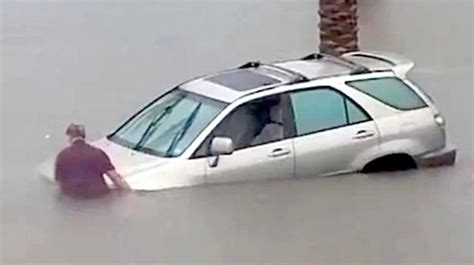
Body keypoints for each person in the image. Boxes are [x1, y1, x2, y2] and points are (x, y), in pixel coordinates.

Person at [55, 123, 130, 198]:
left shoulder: (62, 155)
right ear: (84, 136)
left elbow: (58, 181)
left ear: (69, 137)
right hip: (97, 195)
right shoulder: (98, 153)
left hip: (72, 196)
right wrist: (129, 194)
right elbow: (114, 177)